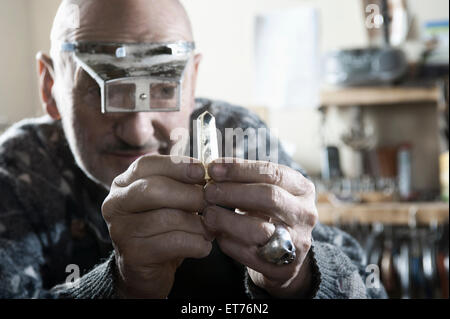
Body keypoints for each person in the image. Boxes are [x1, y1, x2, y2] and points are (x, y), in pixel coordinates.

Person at [0, 0, 386, 299]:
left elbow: (372, 288)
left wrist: (298, 277)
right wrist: (121, 286)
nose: (137, 131)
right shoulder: (20, 172)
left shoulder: (239, 138)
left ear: (193, 79)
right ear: (50, 85)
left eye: (165, 86)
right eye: (104, 89)